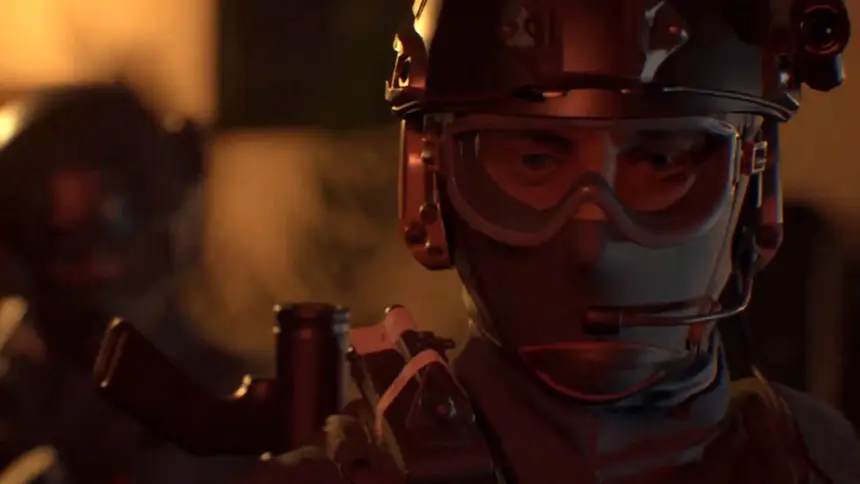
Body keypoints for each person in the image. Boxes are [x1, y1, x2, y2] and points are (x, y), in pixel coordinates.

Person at [233, 0, 859, 482]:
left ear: (756, 188)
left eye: (661, 161)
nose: (590, 248)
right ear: (430, 181)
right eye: (535, 162)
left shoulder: (823, 459)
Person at [0, 83, 247, 483]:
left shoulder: (226, 408)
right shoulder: (21, 383)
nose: (77, 249)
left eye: (98, 203)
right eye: (42, 211)